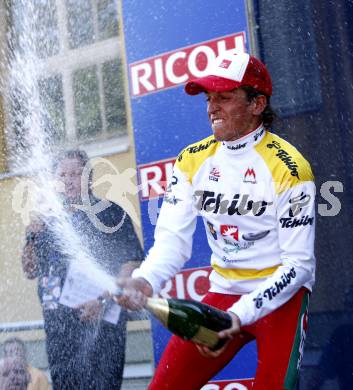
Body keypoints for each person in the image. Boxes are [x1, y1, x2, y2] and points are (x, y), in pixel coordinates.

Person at [116, 50, 316, 389]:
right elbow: (173, 243)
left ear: (257, 104)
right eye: (209, 98)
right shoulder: (191, 161)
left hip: (281, 297)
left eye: (224, 97)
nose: (212, 107)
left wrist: (240, 314)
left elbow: (299, 266)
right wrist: (145, 279)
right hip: (224, 291)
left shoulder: (290, 168)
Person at [22, 150, 144, 390]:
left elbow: (131, 263)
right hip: (59, 326)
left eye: (76, 173)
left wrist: (103, 300)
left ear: (89, 177)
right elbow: (29, 270)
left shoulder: (110, 212)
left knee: (103, 385)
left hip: (101, 318)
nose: (69, 180)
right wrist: (31, 236)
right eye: (63, 174)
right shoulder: (48, 221)